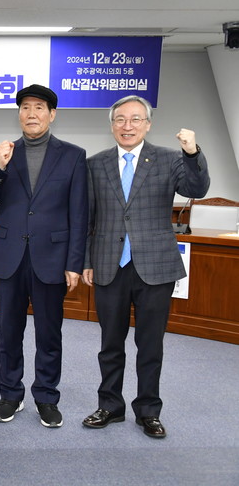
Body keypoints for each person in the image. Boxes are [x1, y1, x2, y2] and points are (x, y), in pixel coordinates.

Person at [81, 95, 210, 439]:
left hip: (155, 266)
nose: (127, 126)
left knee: (150, 344)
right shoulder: (95, 164)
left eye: (135, 119)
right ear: (112, 125)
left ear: (148, 124)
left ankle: (148, 411)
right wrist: (87, 261)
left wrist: (192, 152)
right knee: (110, 343)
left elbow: (197, 188)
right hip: (109, 265)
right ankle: (110, 405)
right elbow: (88, 218)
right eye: (120, 119)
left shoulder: (170, 159)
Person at [0, 84, 87, 428]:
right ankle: (10, 394)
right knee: (9, 332)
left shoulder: (73, 155)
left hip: (52, 257)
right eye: (25, 107)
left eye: (39, 108)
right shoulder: (2, 152)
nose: (31, 114)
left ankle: (46, 397)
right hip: (9, 256)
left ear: (52, 114)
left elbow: (80, 213)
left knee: (49, 333)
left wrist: (74, 262)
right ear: (19, 114)